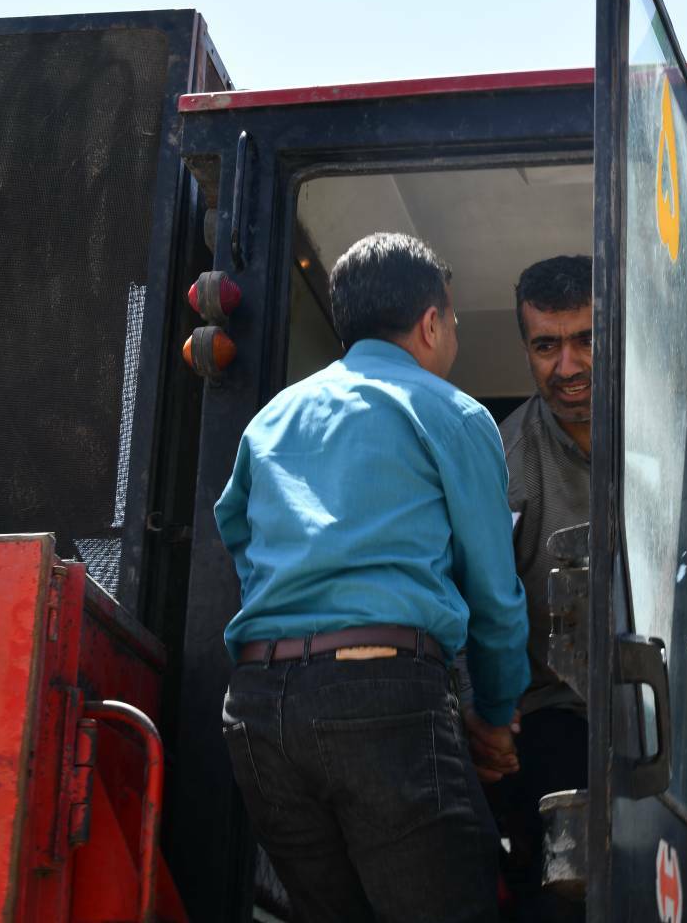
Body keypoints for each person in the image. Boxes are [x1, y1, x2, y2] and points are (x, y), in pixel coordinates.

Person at [215, 231, 531, 923]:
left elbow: (238, 538)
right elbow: (494, 595)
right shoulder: (452, 413)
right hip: (380, 696)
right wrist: (496, 715)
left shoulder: (270, 420)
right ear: (431, 322)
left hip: (259, 712)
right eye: (452, 322)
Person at [468, 254, 594, 922]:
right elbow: (470, 600)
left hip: (676, 707)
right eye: (547, 346)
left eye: (586, 339)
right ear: (526, 349)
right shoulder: (503, 462)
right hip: (555, 712)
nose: (568, 365)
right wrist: (484, 711)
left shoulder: (682, 432)